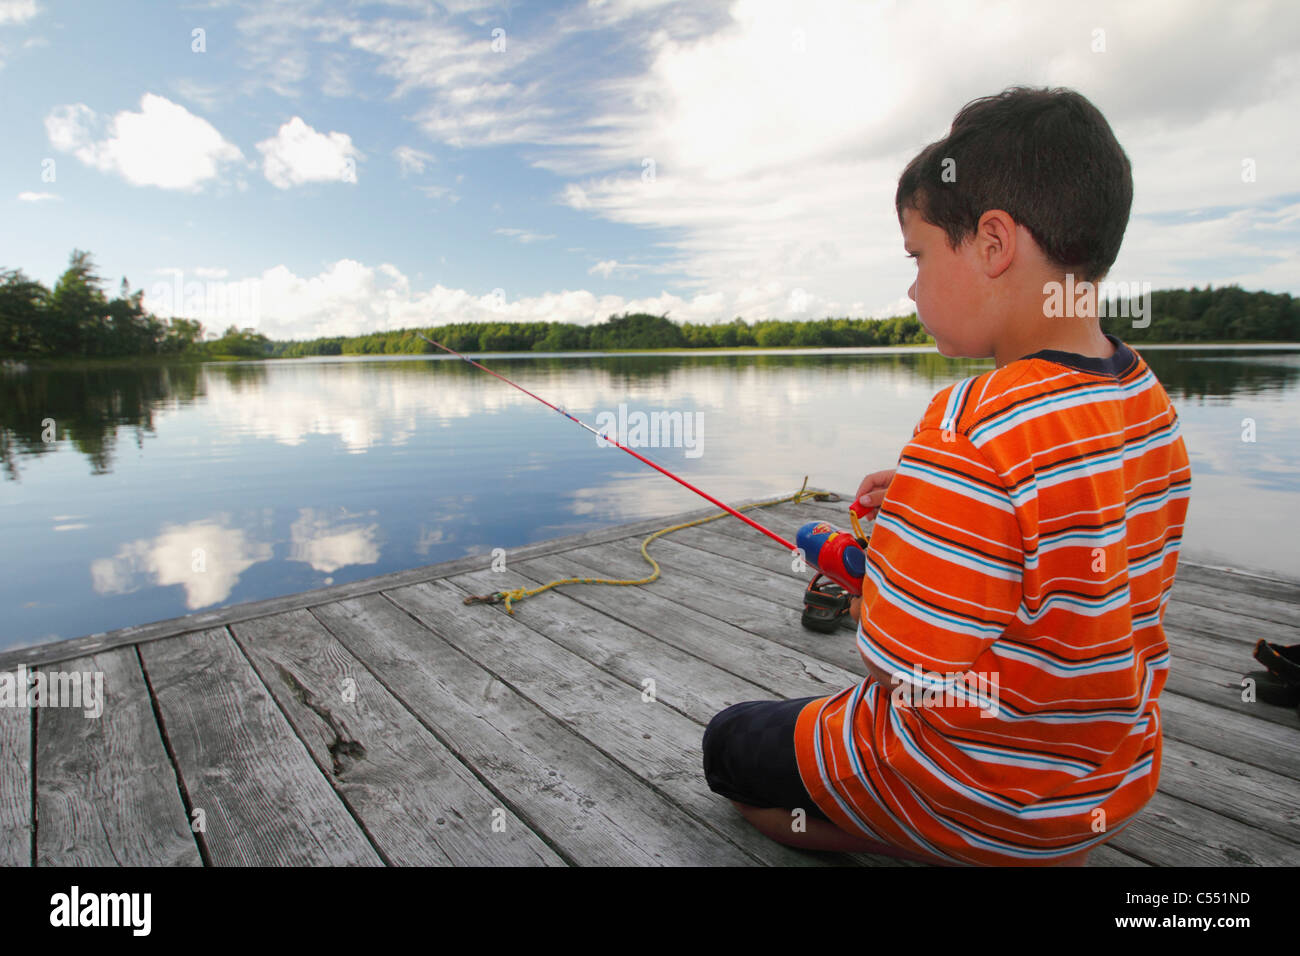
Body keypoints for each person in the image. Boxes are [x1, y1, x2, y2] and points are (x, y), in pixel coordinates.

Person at [702, 86, 1192, 866]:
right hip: (1099, 784)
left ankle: (938, 843)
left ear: (993, 244)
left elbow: (901, 670)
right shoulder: (1145, 397)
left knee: (730, 746)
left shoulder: (968, 423)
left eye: (919, 255)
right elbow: (1071, 520)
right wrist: (929, 508)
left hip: (967, 781)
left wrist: (885, 569)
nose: (912, 287)